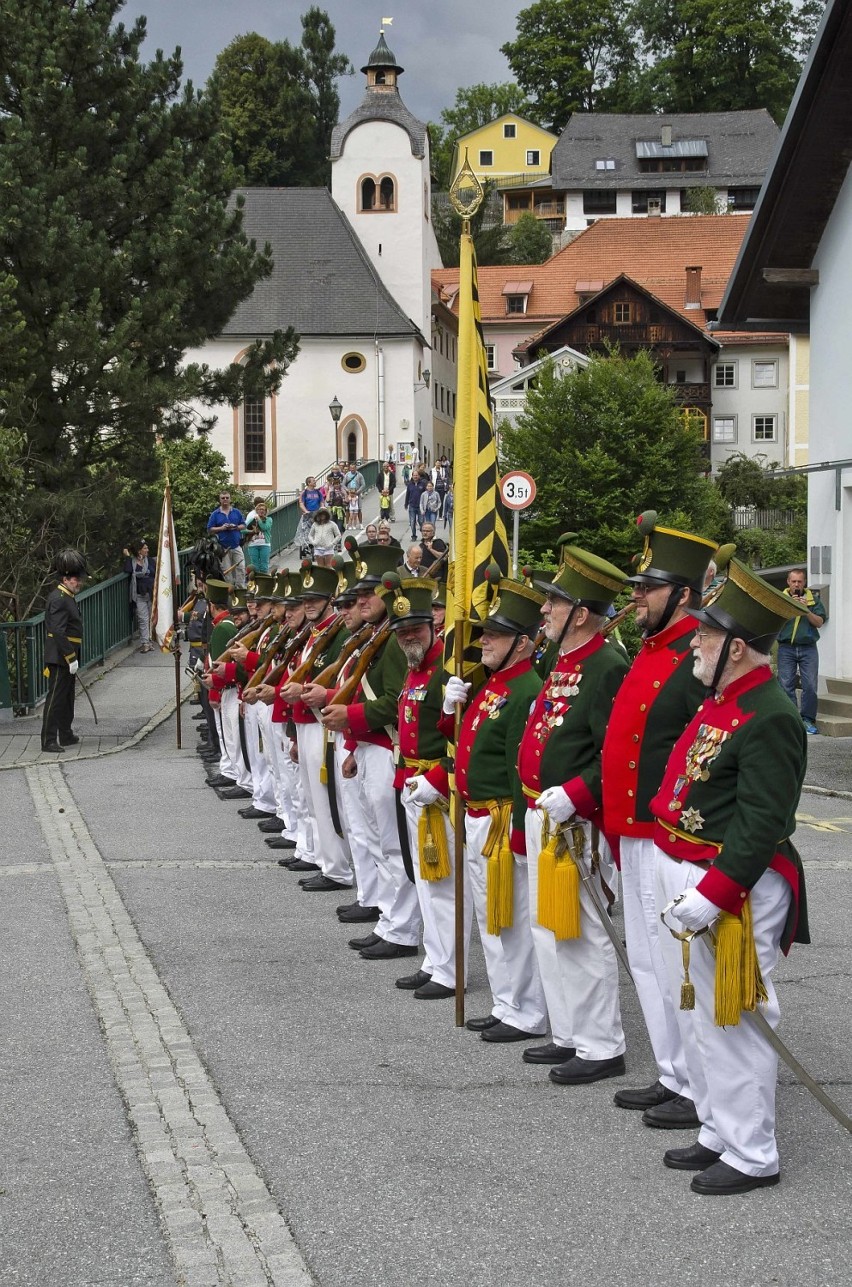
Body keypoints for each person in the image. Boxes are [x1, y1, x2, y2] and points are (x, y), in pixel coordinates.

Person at [651, 558, 810, 1195]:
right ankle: (719, 1129)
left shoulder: (768, 713)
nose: (693, 644)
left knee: (736, 1016)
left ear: (737, 648)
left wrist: (715, 893)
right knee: (704, 1019)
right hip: (693, 871)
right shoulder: (725, 699)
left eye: (705, 638)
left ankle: (752, 1152)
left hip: (732, 884)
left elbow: (764, 820)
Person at [602, 512, 719, 1128]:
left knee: (677, 965)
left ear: (683, 594)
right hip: (633, 828)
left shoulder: (697, 657)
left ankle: (702, 1086)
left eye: (648, 588)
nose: (636, 597)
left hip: (671, 835)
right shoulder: (652, 650)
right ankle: (675, 1075)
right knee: (647, 961)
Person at [517, 540, 629, 1082]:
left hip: (577, 820)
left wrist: (580, 794)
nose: (544, 610)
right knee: (550, 928)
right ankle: (569, 1032)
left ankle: (601, 1045)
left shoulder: (606, 665)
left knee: (583, 933)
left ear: (580, 614)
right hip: (545, 812)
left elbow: (618, 752)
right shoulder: (563, 660)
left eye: (554, 603)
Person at [442, 574, 549, 1042]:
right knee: (491, 917)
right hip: (478, 815)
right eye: (487, 632)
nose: (484, 640)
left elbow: (518, 768)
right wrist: (451, 712)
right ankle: (507, 1002)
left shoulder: (526, 690)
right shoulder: (490, 685)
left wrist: (521, 830)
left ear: (523, 644)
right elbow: (465, 745)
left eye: (497, 635)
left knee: (510, 919)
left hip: (504, 817)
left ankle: (526, 1010)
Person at [382, 572, 469, 999]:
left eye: (414, 629)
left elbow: (459, 734)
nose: (407, 637)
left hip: (438, 787)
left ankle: (451, 970)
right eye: (401, 631)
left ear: (433, 626)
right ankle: (435, 959)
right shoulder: (415, 670)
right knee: (426, 880)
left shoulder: (444, 672)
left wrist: (437, 780)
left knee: (443, 883)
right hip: (413, 782)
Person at [41, 549, 87, 753]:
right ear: (66, 579)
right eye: (77, 580)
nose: (80, 583)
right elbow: (58, 631)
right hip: (61, 657)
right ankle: (49, 739)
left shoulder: (66, 595)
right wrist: (70, 657)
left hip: (67, 656)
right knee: (55, 699)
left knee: (67, 697)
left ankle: (65, 734)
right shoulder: (60, 598)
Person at [776, 569, 827, 735]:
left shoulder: (813, 600)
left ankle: (808, 720)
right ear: (788, 582)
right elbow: (773, 619)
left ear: (804, 582)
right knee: (785, 685)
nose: (796, 584)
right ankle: (792, 720)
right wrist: (789, 606)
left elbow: (819, 622)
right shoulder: (780, 598)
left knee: (810, 686)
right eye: (794, 581)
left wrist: (806, 610)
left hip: (808, 648)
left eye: (800, 581)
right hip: (786, 648)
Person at [206, 491, 246, 589]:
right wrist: (222, 528)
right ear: (220, 500)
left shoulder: (236, 512)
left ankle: (241, 590)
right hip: (223, 548)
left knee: (241, 568)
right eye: (223, 498)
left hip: (236, 546)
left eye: (227, 498)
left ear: (230, 499)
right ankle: (230, 591)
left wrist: (235, 527)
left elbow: (244, 525)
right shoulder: (215, 514)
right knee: (227, 571)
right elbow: (210, 529)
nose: (225, 500)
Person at [122, 540, 157, 652]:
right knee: (143, 619)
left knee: (151, 619)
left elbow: (155, 572)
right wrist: (127, 556)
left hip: (151, 594)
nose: (147, 550)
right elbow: (127, 570)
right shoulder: (132, 562)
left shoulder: (150, 561)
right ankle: (145, 643)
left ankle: (151, 640)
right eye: (145, 548)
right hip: (139, 594)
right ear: (139, 550)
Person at [296, 477, 325, 556]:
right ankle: (306, 546)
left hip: (316, 514)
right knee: (306, 531)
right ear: (309, 483)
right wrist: (306, 511)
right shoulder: (304, 493)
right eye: (313, 481)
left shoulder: (318, 492)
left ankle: (318, 545)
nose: (315, 482)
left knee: (318, 529)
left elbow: (322, 501)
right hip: (308, 514)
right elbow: (301, 503)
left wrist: (322, 507)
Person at [244, 499, 272, 574]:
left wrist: (259, 519)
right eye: (259, 509)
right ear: (256, 511)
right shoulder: (251, 519)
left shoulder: (269, 519)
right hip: (253, 544)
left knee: (264, 565)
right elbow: (242, 529)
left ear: (266, 511)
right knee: (254, 566)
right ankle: (255, 582)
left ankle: (264, 582)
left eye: (263, 509)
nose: (261, 511)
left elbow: (264, 527)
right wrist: (251, 531)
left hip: (265, 544)